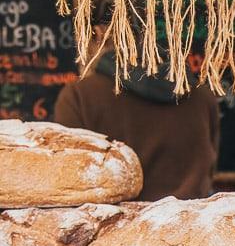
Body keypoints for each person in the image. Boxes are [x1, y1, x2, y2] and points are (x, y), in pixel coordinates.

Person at [55, 39, 220, 201]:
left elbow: (69, 178)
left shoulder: (79, 96)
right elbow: (210, 166)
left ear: (101, 35)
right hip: (188, 222)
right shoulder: (203, 97)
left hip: (109, 225)